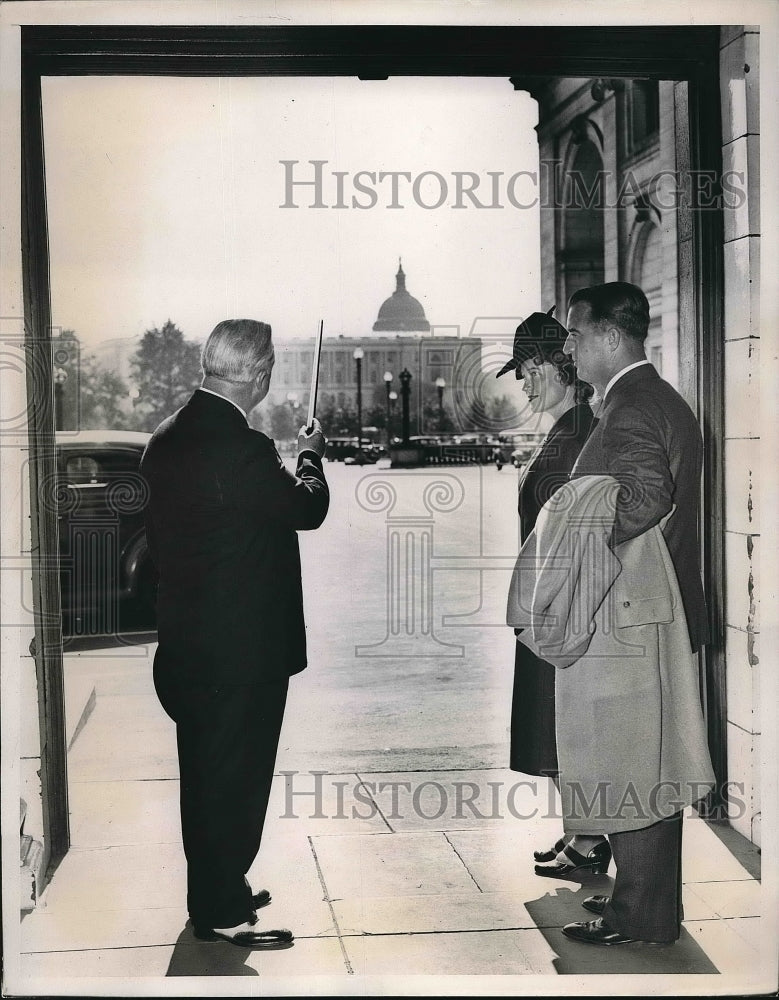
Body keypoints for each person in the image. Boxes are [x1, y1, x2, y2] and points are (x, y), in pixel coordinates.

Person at [140, 319, 329, 949]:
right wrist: (310, 456)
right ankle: (220, 908)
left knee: (206, 776)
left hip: (188, 645)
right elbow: (306, 508)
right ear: (258, 373)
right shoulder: (242, 447)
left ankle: (217, 887)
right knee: (237, 780)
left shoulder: (166, 436)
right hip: (243, 653)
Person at [559, 281, 711, 946]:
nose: (567, 347)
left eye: (574, 333)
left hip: (632, 615)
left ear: (609, 337)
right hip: (651, 608)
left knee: (631, 763)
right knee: (648, 761)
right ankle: (643, 905)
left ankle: (640, 916)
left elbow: (645, 497)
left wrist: (572, 539)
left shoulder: (629, 406)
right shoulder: (650, 397)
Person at [496, 309, 611, 877]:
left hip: (558, 605)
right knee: (557, 722)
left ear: (554, 367)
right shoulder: (571, 428)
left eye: (526, 370)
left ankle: (588, 841)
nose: (521, 383)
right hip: (549, 601)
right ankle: (579, 833)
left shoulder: (578, 434)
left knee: (565, 722)